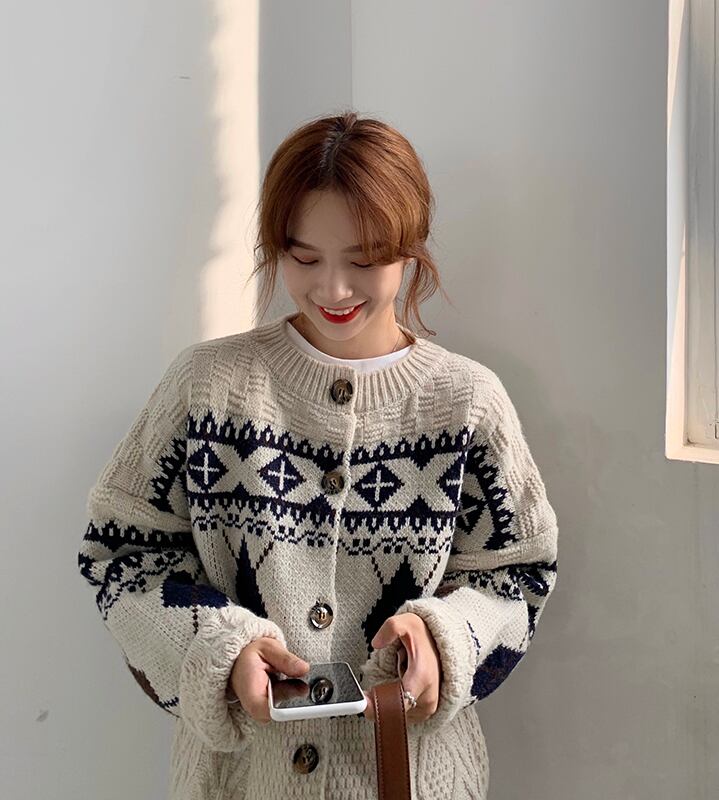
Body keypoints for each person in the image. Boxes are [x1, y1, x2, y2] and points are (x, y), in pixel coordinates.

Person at [77, 111, 559, 800]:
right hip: (243, 781)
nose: (333, 289)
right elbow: (122, 554)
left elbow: (519, 574)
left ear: (410, 249)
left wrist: (444, 638)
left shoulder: (467, 404)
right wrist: (220, 651)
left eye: (364, 260)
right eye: (304, 258)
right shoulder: (207, 388)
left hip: (409, 776)